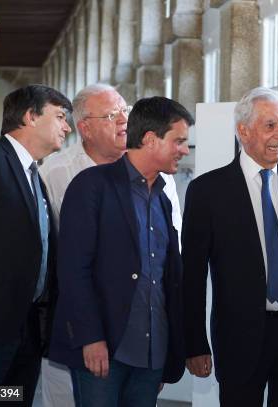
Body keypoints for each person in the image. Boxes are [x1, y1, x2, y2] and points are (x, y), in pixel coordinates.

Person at [39, 84, 183, 407]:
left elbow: (170, 256)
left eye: (126, 111)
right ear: (84, 128)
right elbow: (66, 262)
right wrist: (89, 333)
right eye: (111, 115)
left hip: (144, 335)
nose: (123, 120)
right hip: (84, 329)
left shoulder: (160, 180)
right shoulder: (57, 173)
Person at [182, 87, 278, 406]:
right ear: (243, 131)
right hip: (239, 337)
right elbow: (192, 276)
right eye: (270, 125)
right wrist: (195, 343)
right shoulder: (208, 192)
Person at [0, 85, 72, 406]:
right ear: (30, 116)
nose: (67, 127)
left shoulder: (36, 176)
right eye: (60, 116)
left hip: (25, 332)